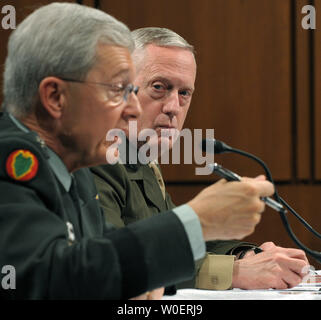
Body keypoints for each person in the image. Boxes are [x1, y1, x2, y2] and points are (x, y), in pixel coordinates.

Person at [0, 3, 276, 300]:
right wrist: (196, 222)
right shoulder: (11, 159)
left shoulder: (72, 169)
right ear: (55, 97)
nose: (132, 110)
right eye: (118, 90)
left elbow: (102, 256)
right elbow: (45, 280)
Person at [91, 27, 309, 292]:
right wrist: (235, 272)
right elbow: (115, 260)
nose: (173, 107)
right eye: (159, 87)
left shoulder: (141, 158)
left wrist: (245, 256)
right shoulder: (96, 158)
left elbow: (175, 241)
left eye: (184, 93)